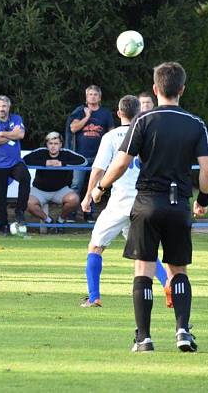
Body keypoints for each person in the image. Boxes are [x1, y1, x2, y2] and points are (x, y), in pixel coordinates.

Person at [92, 62, 208, 353]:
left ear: (156, 89)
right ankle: (183, 330)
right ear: (182, 89)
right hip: (178, 204)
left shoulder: (143, 121)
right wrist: (203, 200)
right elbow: (207, 171)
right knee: (178, 270)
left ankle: (144, 338)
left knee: (143, 269)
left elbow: (121, 163)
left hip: (147, 202)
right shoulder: (196, 124)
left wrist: (101, 188)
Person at [80, 95, 170, 308]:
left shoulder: (111, 137)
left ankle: (94, 297)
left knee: (95, 247)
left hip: (119, 203)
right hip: (144, 203)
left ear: (119, 113)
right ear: (140, 112)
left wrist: (89, 196)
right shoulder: (150, 134)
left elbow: (99, 169)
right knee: (147, 253)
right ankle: (168, 285)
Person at [0, 95, 30, 234]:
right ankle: (3, 226)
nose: (1, 109)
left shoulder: (16, 118)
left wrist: (3, 133)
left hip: (15, 162)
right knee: (0, 197)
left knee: (25, 177)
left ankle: (19, 211)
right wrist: (12, 134)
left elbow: (20, 135)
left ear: (8, 107)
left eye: (4, 106)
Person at [67, 85, 115, 217]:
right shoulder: (80, 111)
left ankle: (89, 214)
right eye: (90, 94)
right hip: (80, 156)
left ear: (99, 97)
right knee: (76, 185)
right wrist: (87, 117)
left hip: (99, 156)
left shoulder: (105, 113)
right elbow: (73, 128)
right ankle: (71, 215)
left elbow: (112, 133)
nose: (92, 96)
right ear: (86, 97)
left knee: (95, 186)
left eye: (95, 94)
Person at [22, 132, 86, 225]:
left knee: (74, 199)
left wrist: (62, 164)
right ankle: (49, 221)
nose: (53, 146)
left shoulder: (66, 153)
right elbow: (24, 160)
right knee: (27, 203)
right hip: (39, 190)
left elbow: (83, 161)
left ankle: (60, 221)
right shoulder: (41, 151)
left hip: (60, 190)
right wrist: (45, 163)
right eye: (50, 143)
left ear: (60, 144)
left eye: (56, 144)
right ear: (47, 144)